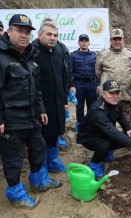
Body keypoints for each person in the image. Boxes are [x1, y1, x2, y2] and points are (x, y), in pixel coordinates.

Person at [0, 14, 62, 209]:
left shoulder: (31, 57)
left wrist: (42, 109)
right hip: (10, 121)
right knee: (14, 159)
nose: (24, 35)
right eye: (19, 30)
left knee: (39, 148)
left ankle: (38, 180)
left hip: (32, 117)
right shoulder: (1, 58)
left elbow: (37, 89)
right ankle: (15, 193)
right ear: (9, 31)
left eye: (27, 32)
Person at [77, 79, 131, 178]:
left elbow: (121, 117)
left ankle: (106, 152)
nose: (115, 96)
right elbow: (110, 130)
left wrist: (128, 129)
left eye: (117, 93)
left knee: (128, 136)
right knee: (104, 145)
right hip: (89, 136)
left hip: (104, 133)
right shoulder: (97, 109)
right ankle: (94, 164)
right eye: (111, 93)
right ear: (103, 94)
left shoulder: (116, 103)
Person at [32, 22, 74, 173]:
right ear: (39, 35)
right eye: (49, 34)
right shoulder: (32, 51)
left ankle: (53, 160)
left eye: (55, 35)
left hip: (58, 100)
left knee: (55, 131)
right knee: (41, 136)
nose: (53, 38)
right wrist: (39, 106)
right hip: (40, 102)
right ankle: (41, 166)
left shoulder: (59, 50)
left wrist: (64, 100)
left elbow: (64, 74)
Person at [96, 28, 131, 127]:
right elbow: (98, 73)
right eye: (114, 39)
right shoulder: (102, 55)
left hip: (126, 96)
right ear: (110, 40)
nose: (117, 41)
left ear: (123, 40)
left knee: (127, 125)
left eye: (119, 39)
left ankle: (128, 142)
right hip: (108, 98)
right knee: (108, 125)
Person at [71, 34, 98, 131]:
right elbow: (70, 71)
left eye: (85, 41)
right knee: (79, 106)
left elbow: (97, 71)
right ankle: (80, 125)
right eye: (82, 41)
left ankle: (90, 125)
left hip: (91, 84)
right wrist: (72, 85)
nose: (84, 43)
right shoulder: (73, 55)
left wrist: (98, 85)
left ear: (89, 43)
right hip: (79, 84)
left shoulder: (94, 56)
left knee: (92, 106)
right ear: (78, 43)